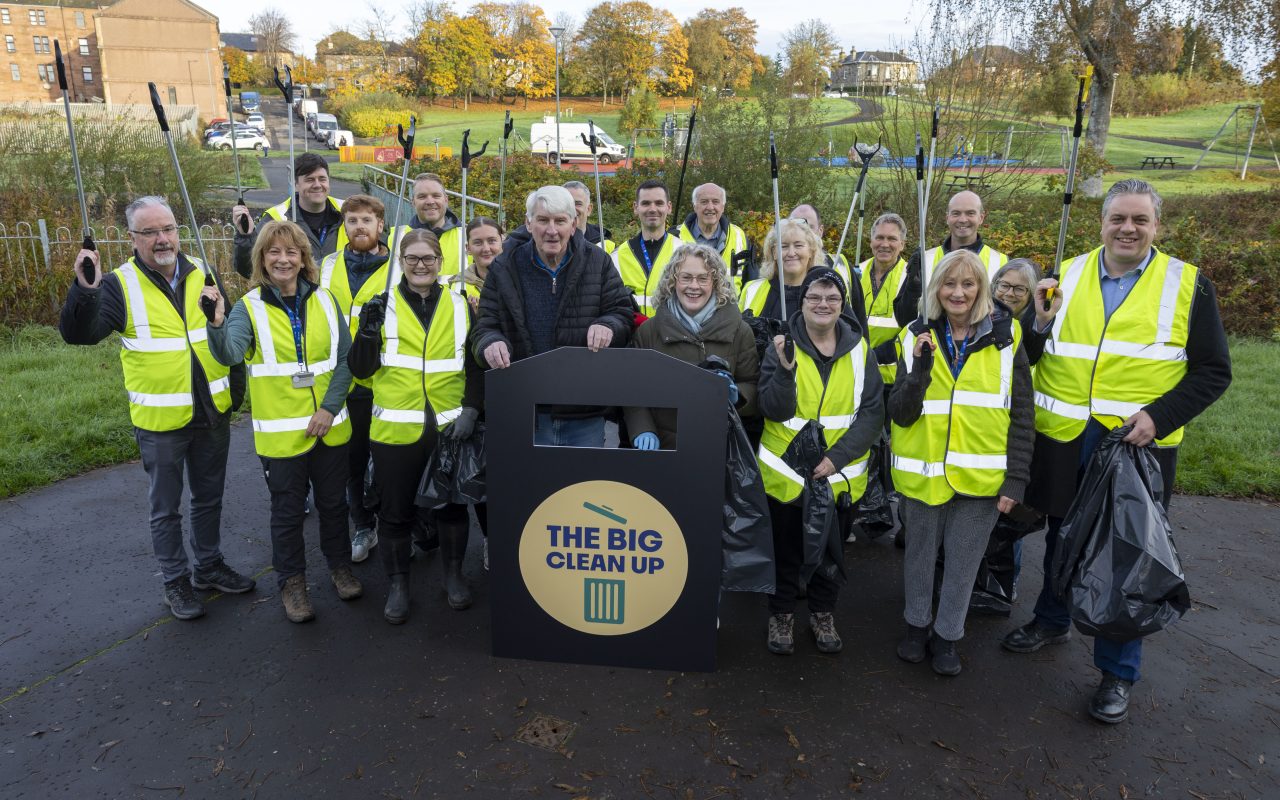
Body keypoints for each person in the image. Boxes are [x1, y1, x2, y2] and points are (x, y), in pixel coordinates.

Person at [1003, 179, 1232, 724]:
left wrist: (1159, 416)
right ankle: (1051, 618)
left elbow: (1214, 372)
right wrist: (1035, 322)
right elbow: (1029, 356)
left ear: (1156, 225)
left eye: (1139, 220)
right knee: (1063, 535)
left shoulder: (1187, 286)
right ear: (1101, 223)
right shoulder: (1069, 274)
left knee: (1125, 555)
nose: (1127, 229)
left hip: (1134, 447)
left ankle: (1116, 672)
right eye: (1118, 219)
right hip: (1066, 439)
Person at [58, 196, 255, 620]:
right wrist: (84, 291)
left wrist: (235, 389)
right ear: (132, 238)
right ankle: (175, 581)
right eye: (149, 232)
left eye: (167, 228)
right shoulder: (117, 284)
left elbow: (227, 326)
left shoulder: (202, 269)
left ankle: (209, 566)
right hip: (161, 420)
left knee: (209, 498)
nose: (162, 239)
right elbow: (80, 335)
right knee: (165, 507)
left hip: (212, 409)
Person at [205, 220, 362, 624]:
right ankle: (292, 584)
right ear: (261, 258)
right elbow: (229, 353)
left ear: (303, 259)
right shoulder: (248, 307)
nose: (283, 259)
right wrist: (217, 324)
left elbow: (346, 361)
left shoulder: (326, 301)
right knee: (287, 514)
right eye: (274, 251)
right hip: (282, 436)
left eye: (291, 251)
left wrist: (328, 408)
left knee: (333, 505)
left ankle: (340, 568)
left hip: (330, 428)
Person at [888, 249, 1034, 676]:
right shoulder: (914, 334)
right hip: (923, 472)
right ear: (936, 289)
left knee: (964, 561)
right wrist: (918, 370)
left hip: (982, 479)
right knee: (918, 556)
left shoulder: (1009, 337)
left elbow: (1022, 413)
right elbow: (899, 412)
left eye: (968, 284)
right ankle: (916, 627)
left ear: (982, 289)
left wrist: (1016, 479)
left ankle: (949, 635)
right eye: (949, 284)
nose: (958, 292)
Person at [348, 229, 485, 622]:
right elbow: (360, 371)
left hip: (448, 428)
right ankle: (398, 584)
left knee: (451, 507)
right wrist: (367, 333)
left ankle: (454, 577)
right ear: (401, 263)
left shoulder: (461, 306)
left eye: (429, 259)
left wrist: (472, 410)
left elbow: (474, 366)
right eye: (413, 259)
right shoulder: (381, 305)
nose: (421, 266)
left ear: (441, 263)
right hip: (395, 430)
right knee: (394, 513)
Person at [757, 268, 884, 655]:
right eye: (815, 297)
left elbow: (872, 413)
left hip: (839, 478)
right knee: (786, 551)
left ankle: (822, 612)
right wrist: (784, 370)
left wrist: (837, 458)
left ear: (842, 305)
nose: (823, 305)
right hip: (786, 476)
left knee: (832, 554)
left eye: (831, 298)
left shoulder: (861, 351)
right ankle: (781, 616)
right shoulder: (781, 346)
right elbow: (774, 409)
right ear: (803, 301)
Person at [473, 185, 634, 447]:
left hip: (584, 410)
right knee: (530, 486)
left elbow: (623, 313)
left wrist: (608, 325)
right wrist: (490, 343)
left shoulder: (599, 261)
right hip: (524, 408)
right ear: (528, 223)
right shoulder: (505, 267)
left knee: (583, 487)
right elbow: (484, 327)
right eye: (543, 220)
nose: (551, 230)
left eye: (560, 221)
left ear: (573, 224)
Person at [318, 194, 396, 562]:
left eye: (367, 220)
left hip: (383, 378)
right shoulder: (328, 264)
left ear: (381, 225)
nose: (359, 227)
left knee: (386, 458)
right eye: (352, 221)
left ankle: (396, 521)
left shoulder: (398, 265)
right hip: (339, 379)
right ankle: (363, 525)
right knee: (351, 460)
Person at [965, 257, 1043, 616]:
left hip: (1021, 424)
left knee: (1010, 515)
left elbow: (1035, 353)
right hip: (986, 427)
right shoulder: (983, 316)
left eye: (1019, 289)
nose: (1010, 294)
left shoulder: (1030, 323)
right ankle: (976, 581)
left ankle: (1001, 588)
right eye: (1004, 286)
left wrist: (1042, 320)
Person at [625, 243, 760, 449]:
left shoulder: (740, 331)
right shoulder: (648, 331)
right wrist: (643, 428)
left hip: (719, 450)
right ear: (673, 281)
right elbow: (633, 389)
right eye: (686, 277)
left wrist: (737, 396)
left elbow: (752, 383)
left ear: (715, 282)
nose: (694, 286)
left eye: (703, 278)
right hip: (664, 449)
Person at [856, 213, 910, 540]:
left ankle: (907, 521)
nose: (885, 244)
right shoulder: (856, 272)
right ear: (871, 239)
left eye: (892, 239)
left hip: (896, 380)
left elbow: (913, 329)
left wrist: (874, 357)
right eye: (880, 237)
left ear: (903, 243)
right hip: (861, 380)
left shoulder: (910, 276)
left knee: (902, 450)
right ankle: (867, 512)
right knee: (865, 447)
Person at [895, 190, 1008, 327]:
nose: (962, 219)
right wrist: (912, 289)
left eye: (970, 213)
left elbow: (1010, 316)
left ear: (981, 217)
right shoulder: (924, 260)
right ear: (947, 217)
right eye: (956, 213)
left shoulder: (1002, 262)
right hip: (931, 344)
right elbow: (904, 319)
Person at [232, 152, 346, 278]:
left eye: (322, 179)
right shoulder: (276, 218)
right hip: (295, 296)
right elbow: (249, 270)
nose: (317, 185)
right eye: (310, 179)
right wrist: (246, 237)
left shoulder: (348, 213)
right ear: (296, 184)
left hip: (340, 297)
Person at [613, 179, 681, 318]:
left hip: (673, 335)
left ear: (669, 207)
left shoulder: (685, 252)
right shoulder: (617, 256)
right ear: (635, 207)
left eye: (659, 203)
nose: (652, 209)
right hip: (632, 335)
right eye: (646, 203)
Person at [677, 183, 753, 289]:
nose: (710, 207)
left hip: (730, 305)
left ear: (723, 207)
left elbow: (751, 281)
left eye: (715, 202)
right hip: (690, 304)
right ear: (695, 206)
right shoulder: (676, 236)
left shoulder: (739, 236)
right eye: (704, 202)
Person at [408, 173, 464, 277]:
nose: (430, 201)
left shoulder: (466, 238)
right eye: (422, 196)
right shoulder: (396, 237)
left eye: (436, 196)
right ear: (413, 202)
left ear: (446, 200)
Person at [455, 216, 504, 311]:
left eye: (492, 241)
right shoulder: (459, 288)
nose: (486, 249)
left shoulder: (519, 279)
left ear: (502, 242)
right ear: (468, 248)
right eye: (478, 243)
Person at [564, 180, 616, 253]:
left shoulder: (605, 247)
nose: (572, 208)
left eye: (578, 204)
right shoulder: (548, 243)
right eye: (567, 203)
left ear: (589, 209)